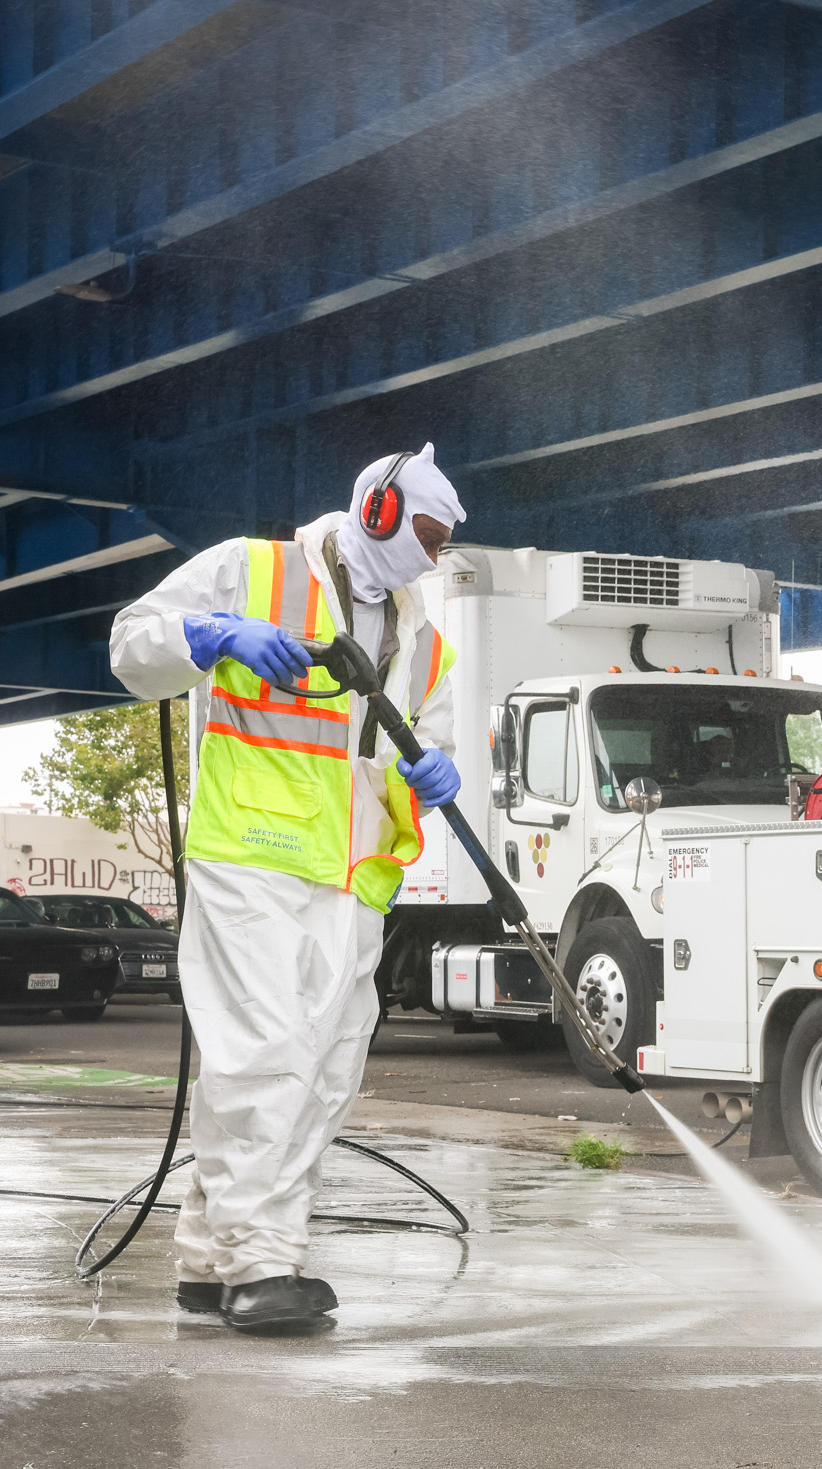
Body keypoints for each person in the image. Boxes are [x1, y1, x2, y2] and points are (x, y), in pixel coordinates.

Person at [108, 445, 468, 1331]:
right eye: (425, 532)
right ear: (377, 511)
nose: (433, 555)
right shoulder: (249, 569)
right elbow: (130, 645)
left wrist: (440, 767)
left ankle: (208, 1254)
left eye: (444, 541)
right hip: (252, 857)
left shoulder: (425, 638)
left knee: (327, 1070)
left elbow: (432, 737)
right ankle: (264, 1263)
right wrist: (214, 635)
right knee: (266, 1055)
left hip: (354, 875)